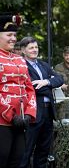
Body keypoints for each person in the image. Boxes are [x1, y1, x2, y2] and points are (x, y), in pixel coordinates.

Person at [19, 36, 64, 168]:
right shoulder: (22, 66)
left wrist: (46, 82)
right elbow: (31, 88)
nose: (34, 50)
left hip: (48, 112)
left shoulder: (43, 65)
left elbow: (60, 79)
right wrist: (50, 87)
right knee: (26, 151)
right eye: (31, 47)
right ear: (23, 50)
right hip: (33, 113)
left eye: (36, 47)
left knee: (44, 150)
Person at [0, 14, 36, 168]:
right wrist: (10, 115)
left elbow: (29, 89)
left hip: (21, 121)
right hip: (2, 122)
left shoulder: (20, 59)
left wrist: (28, 114)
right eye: (9, 34)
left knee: (18, 160)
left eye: (15, 35)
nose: (13, 38)